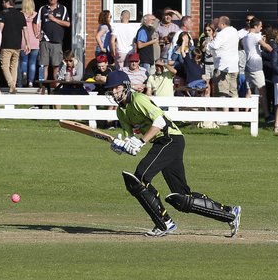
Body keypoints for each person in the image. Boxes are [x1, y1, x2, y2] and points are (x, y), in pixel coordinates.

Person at [102, 69, 241, 238]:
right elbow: (130, 138)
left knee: (140, 178)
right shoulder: (121, 111)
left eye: (117, 88)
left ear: (125, 86)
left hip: (169, 139)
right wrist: (120, 146)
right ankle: (230, 213)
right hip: (164, 142)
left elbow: (160, 121)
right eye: (111, 89)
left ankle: (164, 222)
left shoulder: (139, 99)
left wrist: (142, 141)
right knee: (182, 198)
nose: (114, 92)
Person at [38, 0, 71, 88]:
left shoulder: (63, 8)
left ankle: (57, 86)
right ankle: (42, 87)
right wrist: (37, 33)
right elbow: (37, 22)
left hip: (57, 41)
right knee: (43, 65)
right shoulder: (43, 9)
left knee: (56, 65)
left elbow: (68, 24)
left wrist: (54, 19)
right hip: (44, 41)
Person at [241, 18, 271, 119]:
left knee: (249, 90)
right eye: (260, 26)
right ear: (255, 26)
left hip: (248, 65)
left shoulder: (245, 37)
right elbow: (266, 47)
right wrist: (275, 50)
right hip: (256, 67)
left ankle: (245, 114)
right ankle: (267, 114)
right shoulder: (255, 37)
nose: (261, 28)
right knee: (262, 90)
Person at [209, 15, 242, 99]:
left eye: (218, 23)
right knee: (233, 92)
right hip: (234, 66)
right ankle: (236, 112)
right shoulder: (234, 31)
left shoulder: (222, 33)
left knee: (222, 92)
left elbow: (215, 45)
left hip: (223, 67)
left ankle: (225, 112)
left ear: (223, 24)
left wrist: (208, 45)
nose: (217, 25)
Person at [0, 0, 25, 94]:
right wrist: (27, 43)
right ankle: (12, 87)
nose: (2, 4)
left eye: (3, 2)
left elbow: (0, 28)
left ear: (7, 2)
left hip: (6, 44)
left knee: (4, 65)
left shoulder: (3, 13)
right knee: (14, 66)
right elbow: (25, 30)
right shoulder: (21, 14)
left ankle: (11, 85)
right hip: (17, 44)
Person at [18, 0, 41, 89]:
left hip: (23, 40)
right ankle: (30, 82)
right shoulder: (36, 15)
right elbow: (39, 27)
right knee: (32, 63)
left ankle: (24, 73)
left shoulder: (20, 15)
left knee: (23, 61)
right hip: (35, 41)